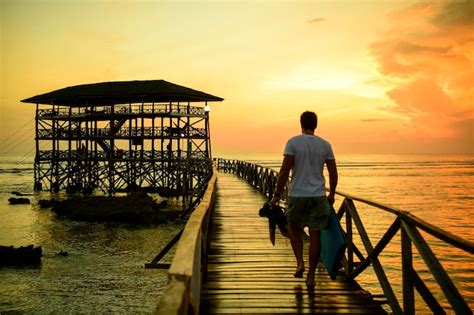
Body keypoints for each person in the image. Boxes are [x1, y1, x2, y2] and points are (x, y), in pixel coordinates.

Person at [271, 111, 338, 289]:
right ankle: (311, 276)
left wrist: (277, 194)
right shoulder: (325, 145)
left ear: (301, 123)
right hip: (318, 196)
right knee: (315, 236)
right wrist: (332, 194)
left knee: (294, 230)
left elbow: (284, 171)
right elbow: (333, 172)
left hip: (298, 194)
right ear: (315, 125)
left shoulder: (293, 142)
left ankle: (300, 262)